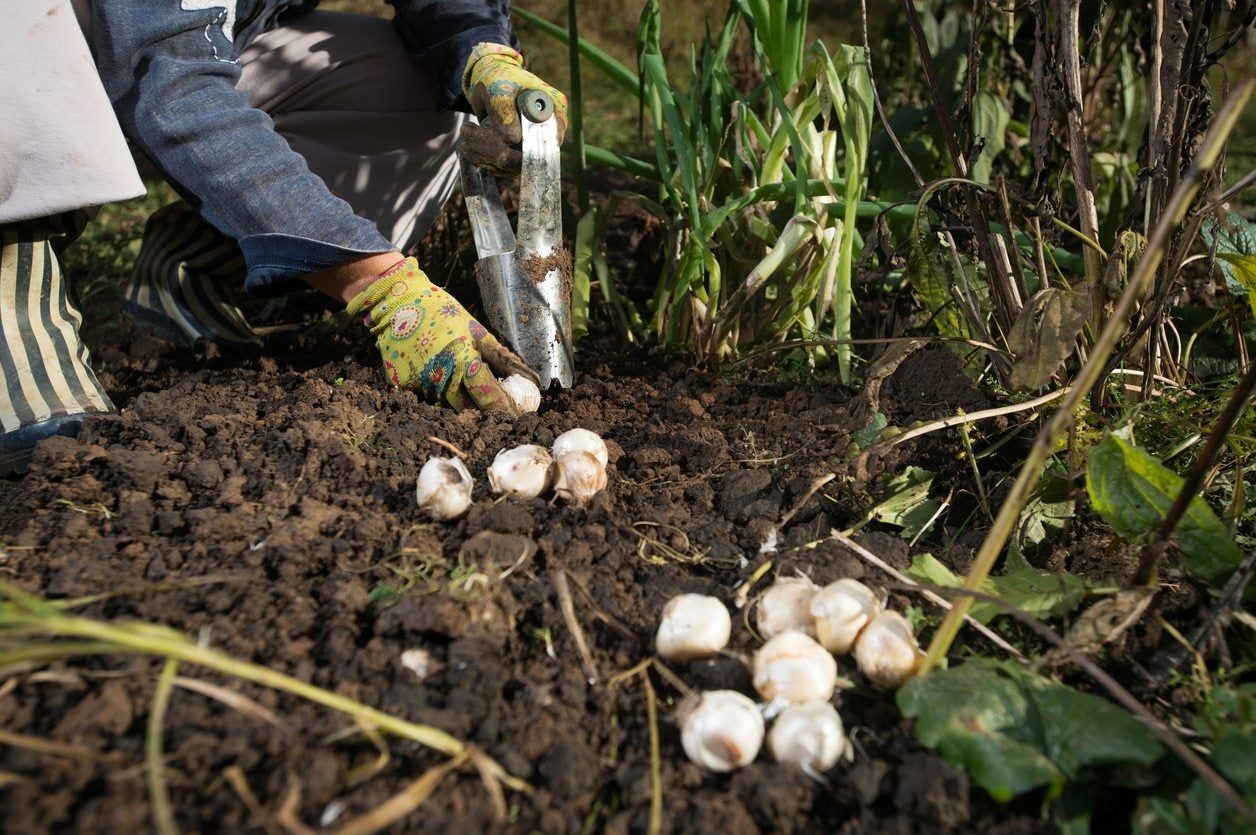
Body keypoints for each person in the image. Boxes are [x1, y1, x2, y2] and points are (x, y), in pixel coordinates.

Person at [0, 0, 568, 475]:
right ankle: (15, 298)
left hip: (186, 46)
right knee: (21, 26)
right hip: (67, 52)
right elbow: (171, 84)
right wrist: (380, 286)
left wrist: (481, 51)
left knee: (409, 84)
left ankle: (191, 267)